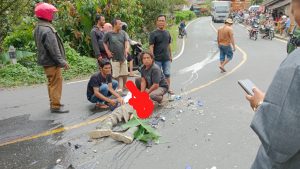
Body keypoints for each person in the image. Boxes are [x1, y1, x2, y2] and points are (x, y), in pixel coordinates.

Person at [246, 0, 300, 168]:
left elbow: (279, 139)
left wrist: (260, 104)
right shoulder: (256, 21)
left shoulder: (296, 65)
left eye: (294, 5)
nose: (292, 11)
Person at [34, 2, 70, 113]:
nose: (53, 16)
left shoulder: (39, 27)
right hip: (52, 62)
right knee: (55, 83)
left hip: (46, 61)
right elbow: (54, 50)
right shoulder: (48, 30)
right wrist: (62, 62)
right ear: (46, 14)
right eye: (52, 13)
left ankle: (53, 102)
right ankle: (55, 105)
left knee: (51, 83)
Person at [103, 18, 130, 93]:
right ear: (115, 25)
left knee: (125, 73)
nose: (121, 25)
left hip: (123, 57)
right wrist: (107, 51)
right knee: (116, 75)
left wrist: (127, 48)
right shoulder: (109, 34)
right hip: (114, 57)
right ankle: (118, 87)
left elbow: (126, 41)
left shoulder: (123, 33)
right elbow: (104, 42)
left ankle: (124, 85)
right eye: (120, 24)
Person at [149, 14, 174, 95]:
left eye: (163, 21)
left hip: (166, 58)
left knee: (167, 74)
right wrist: (152, 58)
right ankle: (157, 91)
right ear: (156, 22)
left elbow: (169, 45)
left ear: (165, 22)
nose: (161, 22)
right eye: (159, 21)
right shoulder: (153, 33)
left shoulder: (167, 33)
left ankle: (168, 89)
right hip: (157, 59)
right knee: (157, 76)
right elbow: (151, 46)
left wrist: (170, 55)